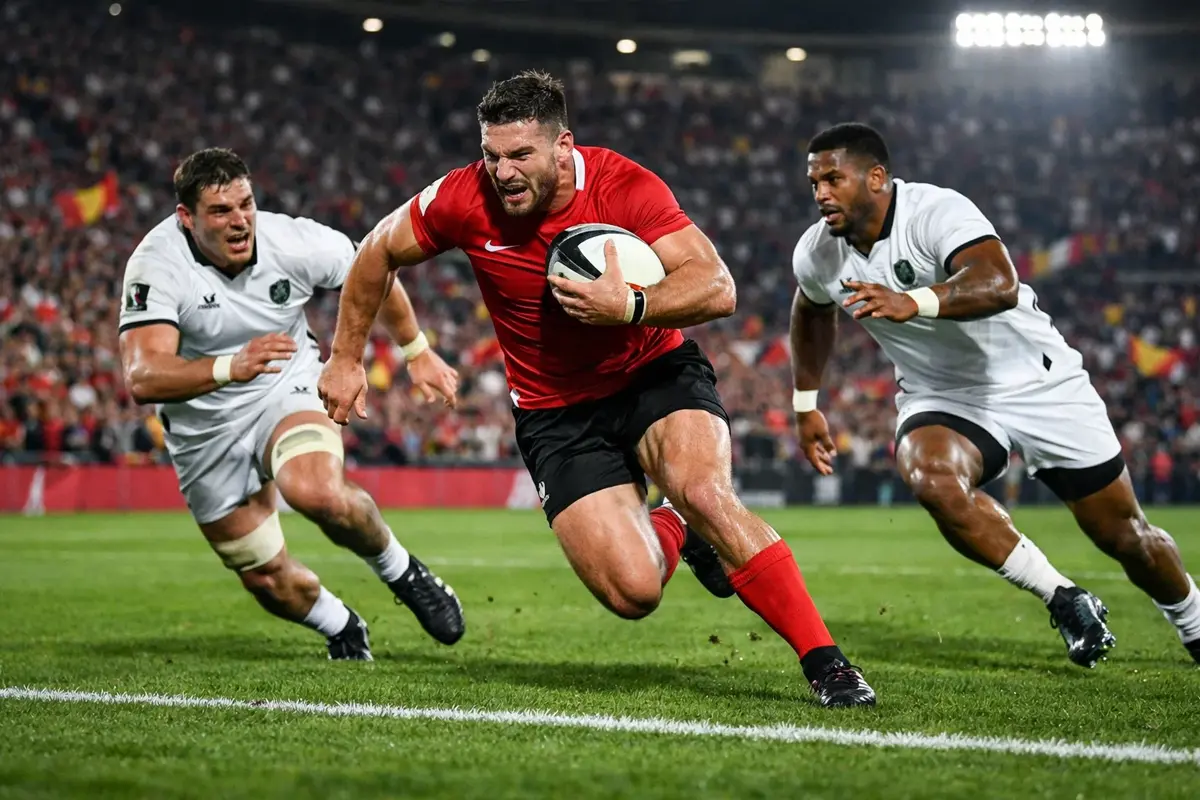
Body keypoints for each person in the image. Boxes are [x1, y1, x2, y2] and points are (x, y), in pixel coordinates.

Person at [317, 70, 876, 707]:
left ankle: (827, 664)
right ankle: (677, 526)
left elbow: (718, 288)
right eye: (492, 155)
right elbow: (375, 251)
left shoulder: (623, 185)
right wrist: (347, 357)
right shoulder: (462, 197)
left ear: (563, 147)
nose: (502, 172)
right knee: (634, 593)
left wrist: (632, 305)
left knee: (706, 493)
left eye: (520, 154)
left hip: (653, 374)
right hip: (556, 413)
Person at [790, 122, 1200, 667]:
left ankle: (1193, 622)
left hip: (1037, 381)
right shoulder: (817, 253)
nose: (820, 193)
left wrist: (916, 301)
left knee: (1124, 536)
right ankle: (1065, 598)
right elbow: (811, 310)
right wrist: (805, 404)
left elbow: (999, 282)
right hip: (942, 394)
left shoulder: (935, 212)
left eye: (833, 179)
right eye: (814, 183)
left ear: (876, 177)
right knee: (931, 477)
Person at [118, 148, 466, 661]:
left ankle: (402, 571)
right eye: (221, 211)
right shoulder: (157, 265)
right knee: (264, 575)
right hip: (202, 429)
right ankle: (342, 626)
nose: (240, 220)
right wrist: (229, 366)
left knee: (317, 492)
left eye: (246, 204)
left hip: (284, 388)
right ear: (186, 218)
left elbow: (373, 266)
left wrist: (416, 350)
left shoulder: (292, 240)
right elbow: (143, 376)